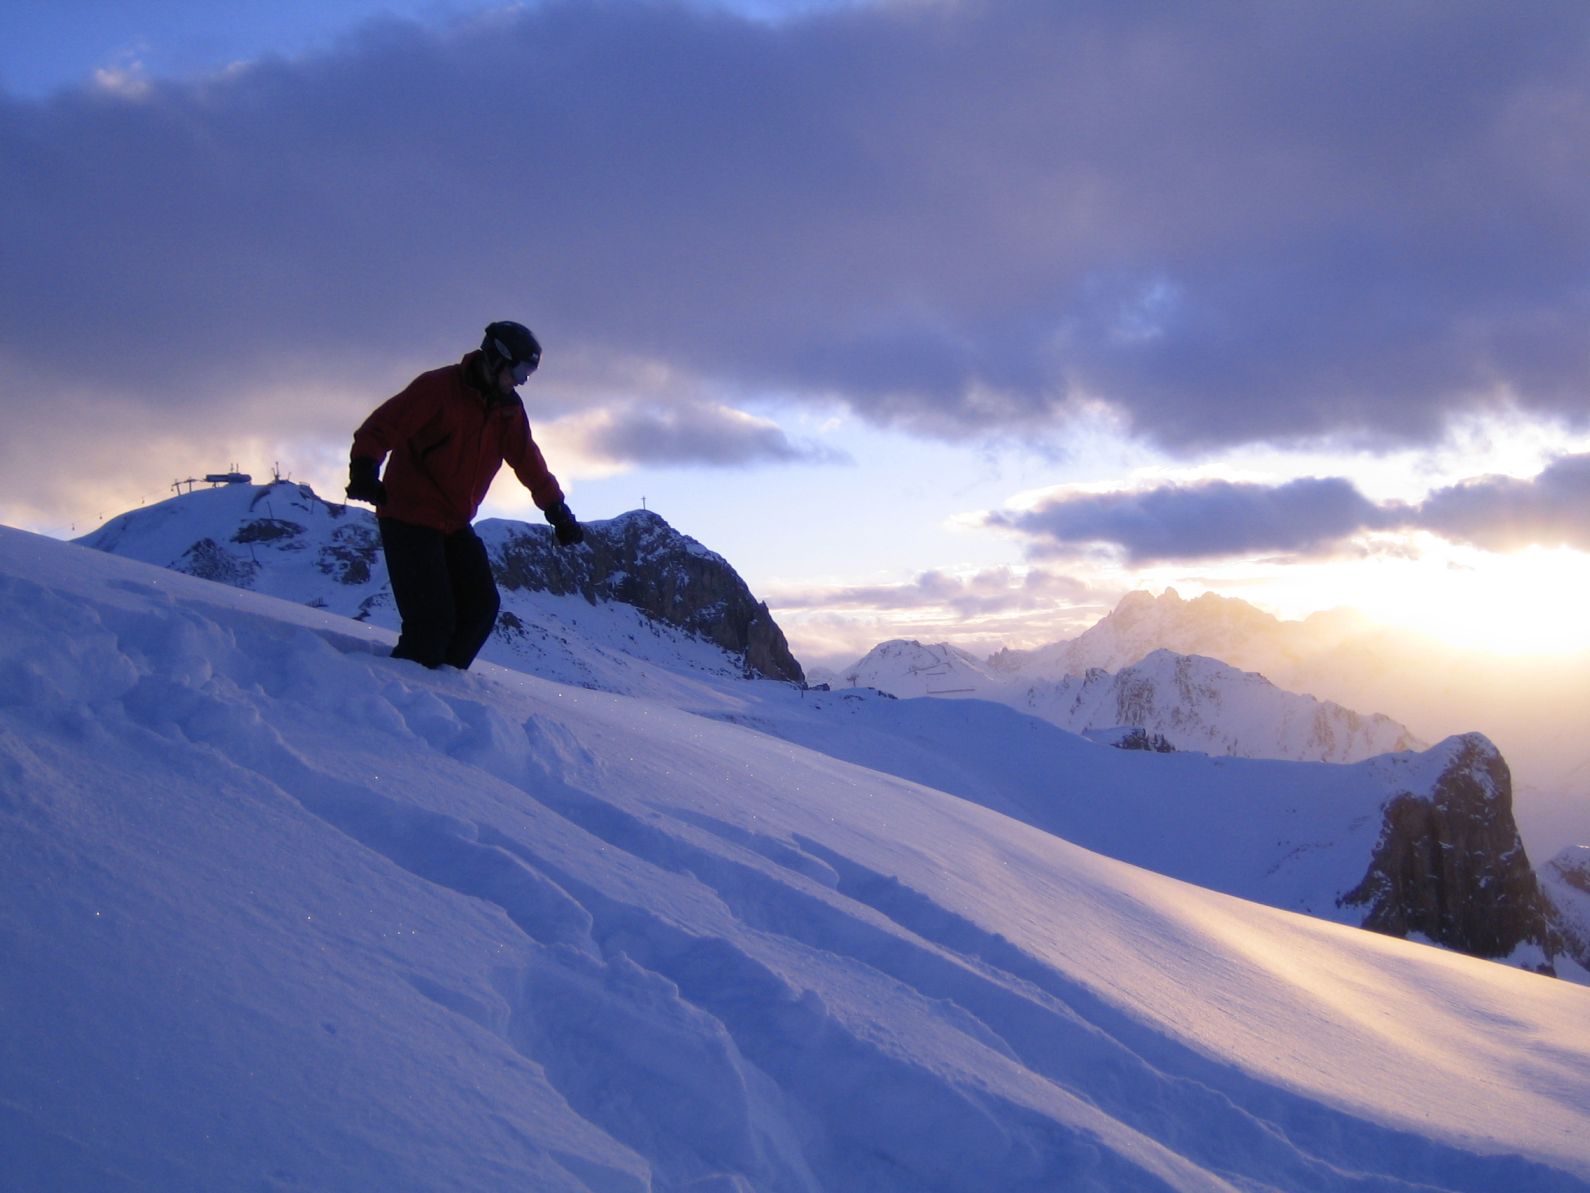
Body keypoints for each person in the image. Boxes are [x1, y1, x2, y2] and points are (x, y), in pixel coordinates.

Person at [345, 320, 584, 670]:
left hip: (454, 521)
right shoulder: (438, 389)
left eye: (528, 374)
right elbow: (383, 425)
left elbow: (527, 459)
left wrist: (557, 510)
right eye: (519, 371)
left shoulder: (508, 410)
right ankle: (398, 684)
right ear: (496, 358)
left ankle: (442, 683)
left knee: (480, 609)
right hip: (408, 516)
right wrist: (364, 469)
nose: (521, 381)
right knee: (431, 622)